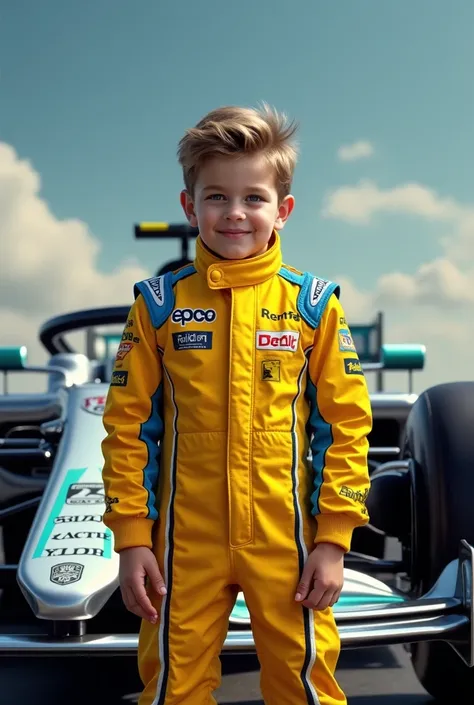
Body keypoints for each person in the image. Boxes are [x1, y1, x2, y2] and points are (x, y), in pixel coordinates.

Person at [101, 104, 372, 705]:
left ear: (284, 210)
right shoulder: (157, 305)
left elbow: (346, 427)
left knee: (306, 686)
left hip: (289, 540)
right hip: (181, 542)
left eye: (254, 197)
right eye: (216, 197)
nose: (235, 213)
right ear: (189, 206)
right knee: (173, 687)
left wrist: (332, 540)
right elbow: (127, 425)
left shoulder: (315, 304)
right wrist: (131, 539)